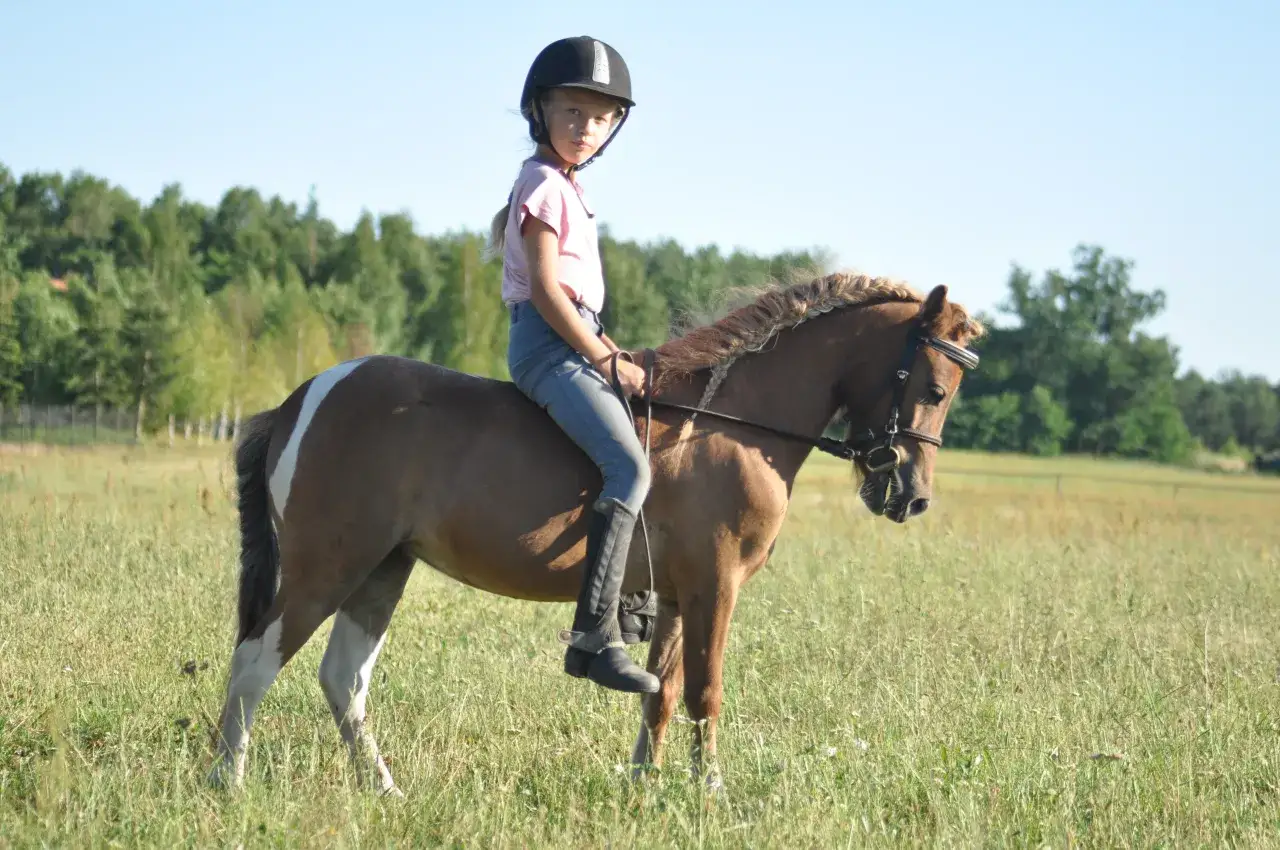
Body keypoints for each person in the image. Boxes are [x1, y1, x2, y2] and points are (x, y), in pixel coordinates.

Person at [488, 36, 659, 695]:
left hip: (574, 337)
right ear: (539, 111)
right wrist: (604, 359)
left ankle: (636, 600)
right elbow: (546, 290)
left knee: (649, 440)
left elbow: (579, 303)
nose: (587, 128)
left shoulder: (566, 188)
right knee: (629, 468)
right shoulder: (542, 185)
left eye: (601, 118)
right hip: (548, 346)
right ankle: (594, 638)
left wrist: (612, 351)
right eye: (573, 112)